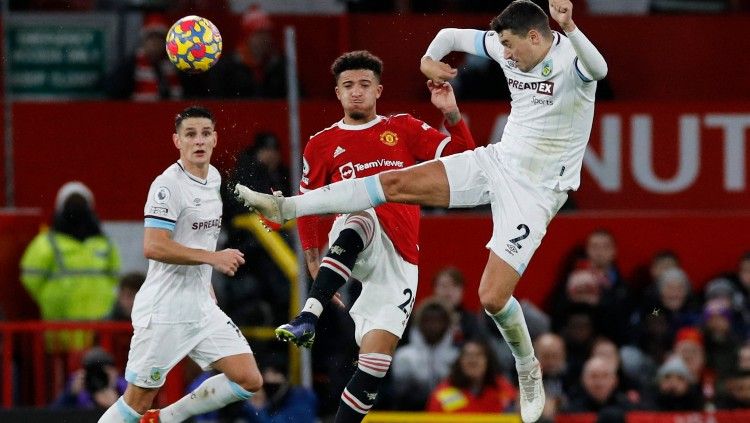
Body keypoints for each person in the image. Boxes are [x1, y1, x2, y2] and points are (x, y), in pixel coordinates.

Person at [235, 1, 607, 421]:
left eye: (509, 45)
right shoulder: (505, 48)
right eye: (500, 44)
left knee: (492, 298)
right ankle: (286, 206)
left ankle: (527, 366)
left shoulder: (571, 60)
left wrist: (572, 26)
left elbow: (600, 69)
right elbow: (450, 36)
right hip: (498, 162)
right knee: (393, 185)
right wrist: (429, 59)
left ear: (535, 37)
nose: (504, 54)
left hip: (538, 191)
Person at [267, 50, 473, 423]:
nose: (356, 92)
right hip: (357, 234)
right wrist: (313, 255)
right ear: (337, 93)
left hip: (401, 258)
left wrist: (451, 113)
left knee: (376, 363)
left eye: (364, 85)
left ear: (379, 90)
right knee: (360, 215)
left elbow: (464, 157)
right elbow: (309, 201)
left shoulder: (405, 128)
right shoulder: (321, 143)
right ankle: (308, 317)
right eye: (348, 86)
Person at [97, 106, 262, 423]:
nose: (198, 141)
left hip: (200, 307)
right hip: (165, 309)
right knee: (137, 401)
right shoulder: (167, 185)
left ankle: (163, 419)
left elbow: (197, 237)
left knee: (248, 378)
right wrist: (213, 259)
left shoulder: (213, 178)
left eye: (204, 134)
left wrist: (205, 281)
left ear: (215, 138)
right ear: (177, 141)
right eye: (190, 135)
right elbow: (154, 245)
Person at [20, 181, 120, 352]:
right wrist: (52, 298)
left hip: (99, 332)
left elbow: (114, 278)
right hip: (61, 335)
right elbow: (30, 280)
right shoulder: (46, 244)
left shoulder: (103, 244)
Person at [103, 14, 183, 101]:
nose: (155, 43)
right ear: (144, 41)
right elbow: (114, 91)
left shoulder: (171, 67)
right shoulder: (131, 65)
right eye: (151, 38)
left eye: (159, 39)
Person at [426, 339, 517, 413]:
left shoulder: (502, 388)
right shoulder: (443, 392)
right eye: (468, 355)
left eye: (479, 355)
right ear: (460, 361)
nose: (473, 360)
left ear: (488, 361)